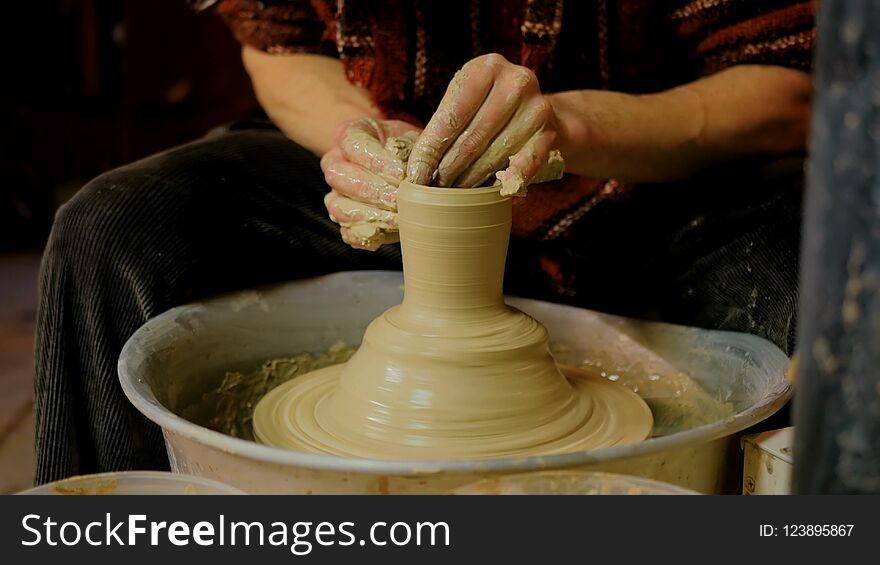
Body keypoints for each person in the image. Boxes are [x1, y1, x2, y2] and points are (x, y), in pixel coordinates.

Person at [34, 0, 815, 483]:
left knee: (824, 278)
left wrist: (574, 128)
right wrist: (362, 139)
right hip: (380, 162)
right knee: (113, 233)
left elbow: (788, 90)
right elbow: (279, 45)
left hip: (645, 171)